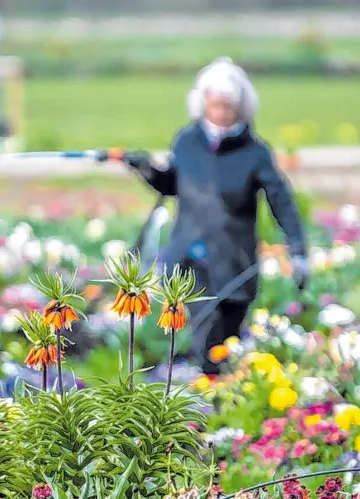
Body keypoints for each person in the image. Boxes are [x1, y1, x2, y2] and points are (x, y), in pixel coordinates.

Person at [126, 57, 308, 375]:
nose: (222, 113)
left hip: (234, 261)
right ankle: (207, 386)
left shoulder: (255, 153)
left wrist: (298, 250)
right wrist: (147, 169)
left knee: (228, 340)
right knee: (205, 333)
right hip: (191, 257)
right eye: (215, 105)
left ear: (241, 107)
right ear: (203, 103)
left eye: (228, 106)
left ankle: (219, 390)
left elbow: (281, 201)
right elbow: (171, 185)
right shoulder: (187, 141)